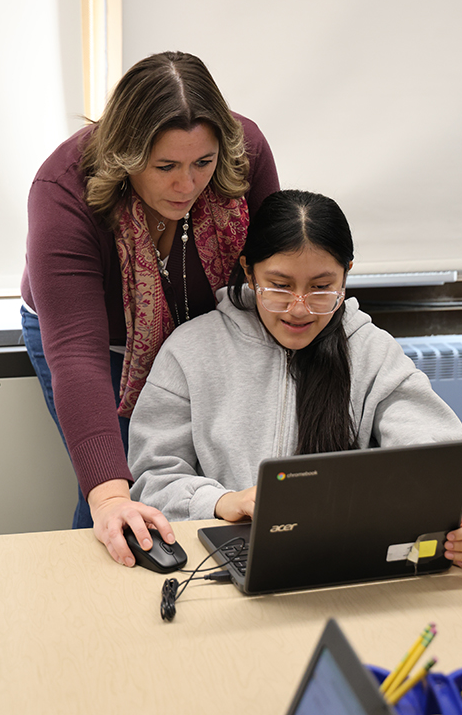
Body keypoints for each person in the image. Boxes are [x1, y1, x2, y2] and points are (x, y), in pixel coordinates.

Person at [129, 189, 462, 573]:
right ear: (249, 271)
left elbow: (435, 459)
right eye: (280, 286)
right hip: (219, 565)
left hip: (347, 566)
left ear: (346, 273)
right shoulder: (191, 350)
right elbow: (152, 478)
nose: (299, 309)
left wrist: (460, 523)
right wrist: (220, 502)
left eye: (320, 288)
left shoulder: (372, 351)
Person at [20, 51, 279, 566]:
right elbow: (77, 355)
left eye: (202, 164)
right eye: (165, 167)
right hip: (97, 342)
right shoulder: (62, 188)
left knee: (216, 470)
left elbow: (276, 266)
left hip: (207, 328)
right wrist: (111, 498)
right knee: (122, 491)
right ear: (125, 155)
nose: (187, 185)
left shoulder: (244, 150)